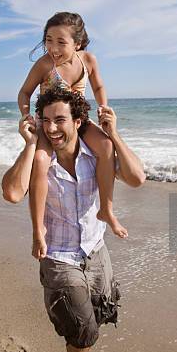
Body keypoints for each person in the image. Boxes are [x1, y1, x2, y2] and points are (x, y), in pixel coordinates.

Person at [2, 89, 145, 352]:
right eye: (45, 120)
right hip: (58, 256)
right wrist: (30, 144)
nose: (51, 128)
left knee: (99, 315)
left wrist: (113, 134)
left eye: (59, 120)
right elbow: (11, 193)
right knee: (82, 332)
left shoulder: (96, 156)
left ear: (78, 122)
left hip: (95, 249)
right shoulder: (41, 161)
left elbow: (137, 178)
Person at [18, 12, 128, 241]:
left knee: (107, 146)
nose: (53, 47)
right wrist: (26, 115)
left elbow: (98, 87)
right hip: (48, 124)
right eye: (48, 40)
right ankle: (38, 228)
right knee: (40, 160)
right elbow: (25, 92)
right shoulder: (44, 64)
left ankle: (106, 209)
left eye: (61, 42)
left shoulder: (87, 60)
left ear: (77, 43)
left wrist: (103, 106)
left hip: (78, 120)